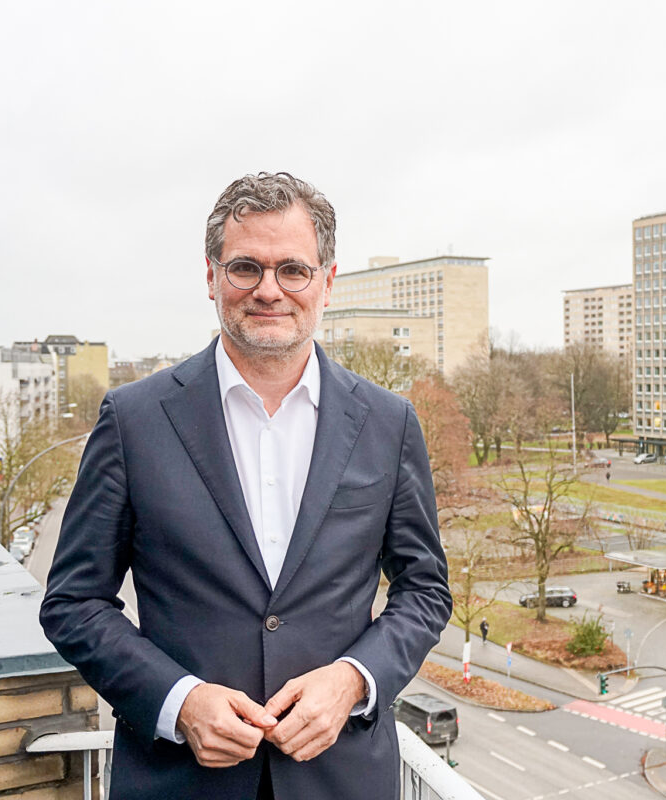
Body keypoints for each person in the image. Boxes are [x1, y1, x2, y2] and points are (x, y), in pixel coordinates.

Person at [40, 173, 452, 800]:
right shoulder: (134, 420)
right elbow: (73, 602)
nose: (269, 291)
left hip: (340, 779)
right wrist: (178, 701)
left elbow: (424, 590)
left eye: (293, 269)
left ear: (327, 282)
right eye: (244, 268)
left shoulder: (389, 423)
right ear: (210, 277)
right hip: (179, 782)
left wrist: (354, 679)